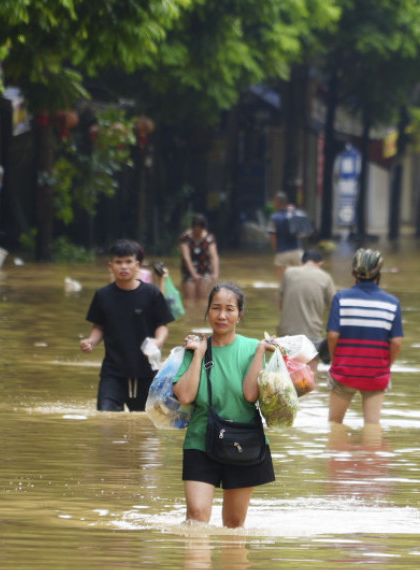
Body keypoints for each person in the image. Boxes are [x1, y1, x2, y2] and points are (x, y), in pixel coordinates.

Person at [173, 283, 278, 528]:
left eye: (229, 309)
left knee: (233, 523)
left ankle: (233, 567)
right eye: (216, 308)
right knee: (196, 516)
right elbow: (185, 396)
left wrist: (261, 351)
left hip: (244, 443)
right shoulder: (194, 348)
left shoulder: (253, 347)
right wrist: (198, 354)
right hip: (200, 441)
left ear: (240, 315)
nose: (222, 315)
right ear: (207, 311)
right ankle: (197, 567)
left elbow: (251, 395)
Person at [80, 239, 174, 411]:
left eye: (128, 262)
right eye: (118, 262)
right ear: (111, 266)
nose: (124, 267)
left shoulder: (151, 294)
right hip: (112, 373)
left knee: (145, 427)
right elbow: (99, 326)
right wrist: (91, 342)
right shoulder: (103, 295)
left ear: (137, 265)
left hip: (146, 373)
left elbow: (162, 324)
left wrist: (158, 341)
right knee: (105, 419)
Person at [326, 248, 403, 427]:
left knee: (335, 424)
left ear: (354, 272)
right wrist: (386, 365)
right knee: (372, 425)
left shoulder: (341, 299)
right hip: (376, 373)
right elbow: (397, 342)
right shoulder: (392, 303)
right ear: (379, 273)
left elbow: (333, 335)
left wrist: (335, 360)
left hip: (344, 371)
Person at [278, 248, 335, 367]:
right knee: (308, 380)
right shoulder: (325, 277)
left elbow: (281, 303)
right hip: (312, 335)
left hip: (287, 336)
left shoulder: (288, 273)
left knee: (285, 378)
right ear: (320, 263)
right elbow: (334, 309)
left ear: (301, 262)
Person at [179, 213, 219, 300]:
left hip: (205, 270)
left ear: (203, 228)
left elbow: (213, 256)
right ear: (192, 228)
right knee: (189, 300)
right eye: (195, 229)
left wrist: (215, 273)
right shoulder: (185, 238)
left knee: (204, 301)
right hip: (189, 271)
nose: (197, 232)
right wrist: (194, 274)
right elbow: (186, 258)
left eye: (199, 230)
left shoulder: (209, 238)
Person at [267, 191, 304, 277]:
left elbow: (273, 236)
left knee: (283, 280)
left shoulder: (274, 218)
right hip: (297, 251)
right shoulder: (294, 214)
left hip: (282, 252)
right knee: (299, 278)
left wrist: (275, 250)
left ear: (276, 202)